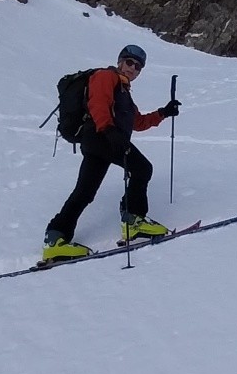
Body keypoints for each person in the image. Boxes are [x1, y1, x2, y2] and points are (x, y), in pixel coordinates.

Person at [43, 44, 180, 261]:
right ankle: (133, 221)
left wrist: (163, 112)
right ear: (120, 61)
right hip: (103, 137)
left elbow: (138, 122)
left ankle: (56, 238)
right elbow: (98, 103)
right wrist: (108, 130)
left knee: (85, 192)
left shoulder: (124, 91)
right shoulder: (106, 76)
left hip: (99, 141)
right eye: (129, 62)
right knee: (142, 168)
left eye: (138, 67)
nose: (133, 68)